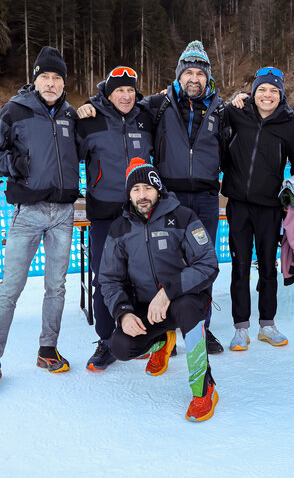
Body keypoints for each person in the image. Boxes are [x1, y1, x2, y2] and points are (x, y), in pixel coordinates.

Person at [77, 41, 227, 354]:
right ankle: (131, 334)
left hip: (203, 197)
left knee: (201, 264)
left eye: (200, 73)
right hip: (159, 199)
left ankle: (200, 327)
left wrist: (243, 99)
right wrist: (90, 104)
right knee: (149, 267)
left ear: (208, 77)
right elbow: (115, 107)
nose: (194, 78)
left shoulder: (220, 109)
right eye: (188, 72)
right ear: (179, 75)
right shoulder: (158, 105)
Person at [0, 46, 83, 392]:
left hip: (63, 213)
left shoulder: (70, 115)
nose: (50, 83)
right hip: (28, 212)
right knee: (11, 288)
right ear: (35, 80)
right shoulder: (15, 110)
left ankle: (47, 349)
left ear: (64, 83)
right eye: (45, 77)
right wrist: (14, 165)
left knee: (56, 286)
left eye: (57, 78)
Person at [100, 158, 220, 421]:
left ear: (158, 190)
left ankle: (204, 390)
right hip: (147, 307)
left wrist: (168, 292)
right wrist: (123, 313)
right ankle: (163, 340)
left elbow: (208, 264)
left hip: (184, 299)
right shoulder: (119, 228)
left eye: (147, 188)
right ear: (128, 194)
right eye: (135, 189)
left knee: (186, 308)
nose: (142, 195)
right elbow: (109, 279)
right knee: (121, 346)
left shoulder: (183, 217)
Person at [221, 66, 294, 351]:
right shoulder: (236, 113)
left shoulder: (291, 126)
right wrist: (233, 99)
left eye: (273, 91)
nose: (267, 95)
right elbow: (211, 119)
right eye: (262, 89)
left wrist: (291, 199)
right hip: (239, 205)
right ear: (253, 92)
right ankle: (240, 327)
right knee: (240, 266)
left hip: (269, 208)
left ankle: (267, 325)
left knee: (268, 267)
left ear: (281, 95)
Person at [77, 66, 155, 371]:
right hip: (104, 212)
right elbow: (69, 152)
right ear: (108, 94)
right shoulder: (91, 119)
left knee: (141, 275)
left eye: (130, 90)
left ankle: (142, 335)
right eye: (119, 90)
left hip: (139, 211)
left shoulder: (145, 117)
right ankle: (106, 340)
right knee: (104, 276)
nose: (125, 96)